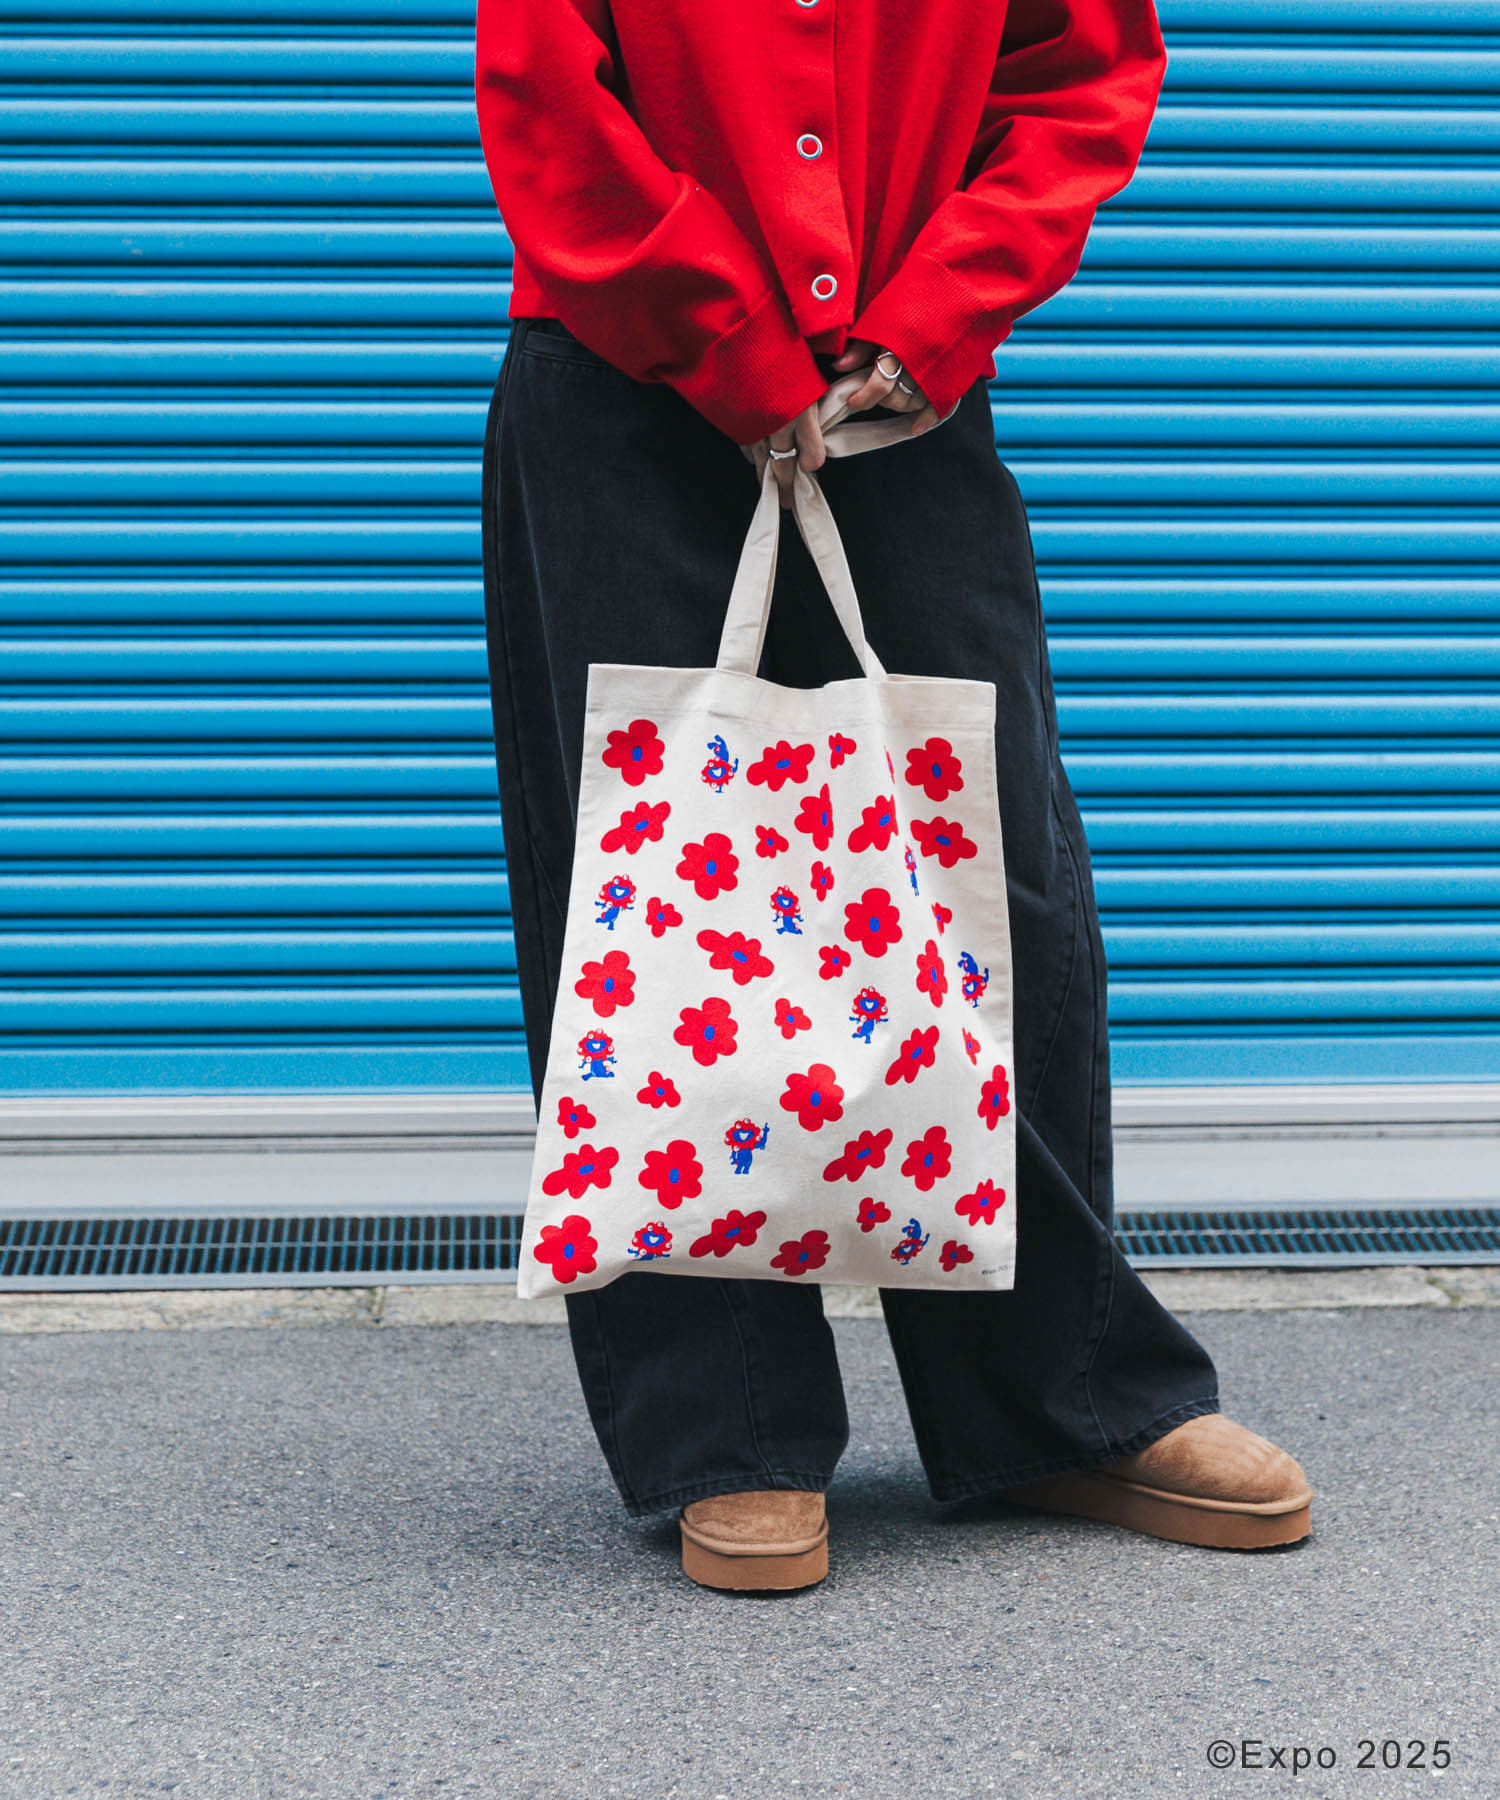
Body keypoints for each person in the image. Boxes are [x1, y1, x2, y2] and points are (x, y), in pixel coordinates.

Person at [474, 0, 1312, 1592]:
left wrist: (939, 314)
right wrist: (721, 335)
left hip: (903, 391)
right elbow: (546, 90)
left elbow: (1080, 70)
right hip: (623, 354)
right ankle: (727, 1424)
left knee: (997, 874)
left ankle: (1056, 1403)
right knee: (662, 890)